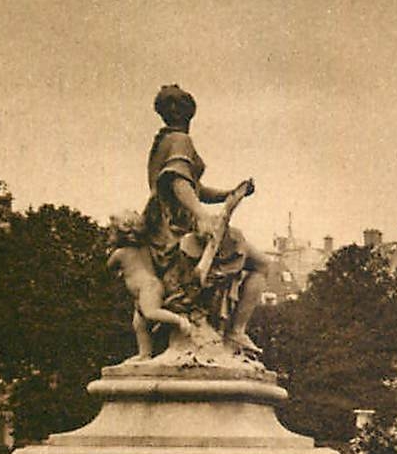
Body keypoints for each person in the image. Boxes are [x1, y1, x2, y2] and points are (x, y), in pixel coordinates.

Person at [142, 84, 274, 353]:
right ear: (189, 112)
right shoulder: (180, 140)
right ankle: (236, 331)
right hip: (181, 230)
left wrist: (230, 194)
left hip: (164, 230)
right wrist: (203, 217)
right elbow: (179, 182)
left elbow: (195, 189)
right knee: (261, 264)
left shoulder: (164, 141)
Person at [107, 210, 194, 359]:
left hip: (147, 288)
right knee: (139, 324)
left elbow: (109, 266)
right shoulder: (145, 249)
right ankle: (144, 354)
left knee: (150, 313)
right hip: (150, 287)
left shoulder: (119, 254)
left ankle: (179, 320)